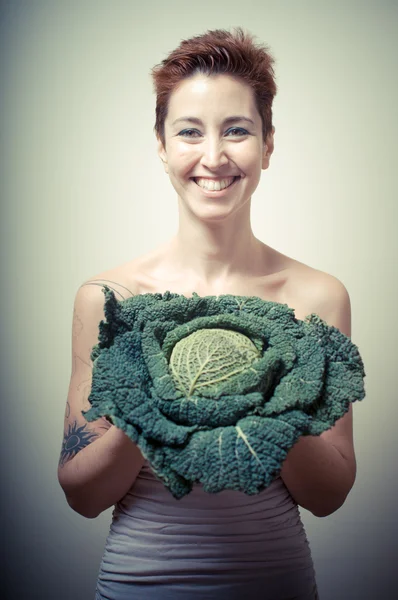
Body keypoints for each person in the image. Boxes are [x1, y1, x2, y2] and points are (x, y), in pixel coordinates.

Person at [58, 27, 357, 600]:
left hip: (277, 582)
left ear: (268, 145)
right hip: (138, 584)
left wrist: (271, 396)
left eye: (237, 130)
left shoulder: (317, 297)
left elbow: (329, 495)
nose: (213, 156)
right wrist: (148, 405)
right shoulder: (107, 298)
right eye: (190, 131)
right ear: (162, 146)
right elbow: (82, 494)